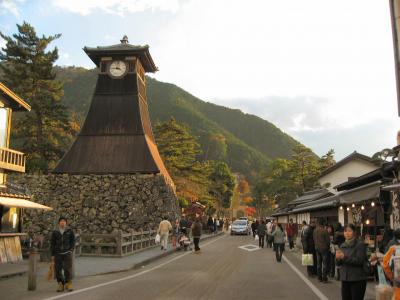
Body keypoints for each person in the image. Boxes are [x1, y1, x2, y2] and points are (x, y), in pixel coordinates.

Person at [335, 224, 367, 300]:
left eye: (349, 231)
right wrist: (337, 258)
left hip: (357, 279)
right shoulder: (342, 245)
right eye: (345, 231)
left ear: (354, 232)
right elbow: (338, 264)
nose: (347, 233)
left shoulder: (360, 244)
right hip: (345, 279)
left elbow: (359, 261)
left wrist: (344, 257)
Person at [50, 216, 76, 292]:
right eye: (61, 221)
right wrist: (52, 254)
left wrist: (71, 250)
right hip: (58, 253)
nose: (62, 222)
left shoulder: (70, 231)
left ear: (66, 223)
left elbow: (73, 241)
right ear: (59, 223)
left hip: (67, 252)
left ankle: (68, 283)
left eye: (64, 221)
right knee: (58, 269)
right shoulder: (55, 232)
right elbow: (52, 243)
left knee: (67, 269)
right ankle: (61, 284)